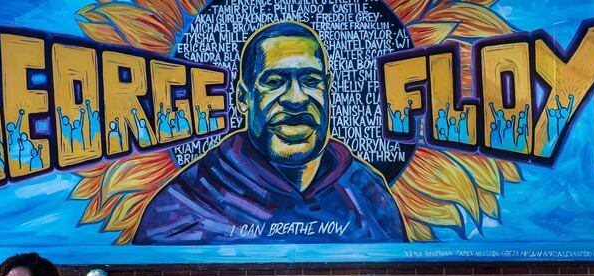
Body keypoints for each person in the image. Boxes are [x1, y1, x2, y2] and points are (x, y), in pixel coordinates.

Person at [134, 21, 405, 244]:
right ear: (243, 98)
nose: (296, 99)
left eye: (311, 80)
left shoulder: (367, 193)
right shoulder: (186, 203)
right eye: (274, 81)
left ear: (328, 89)